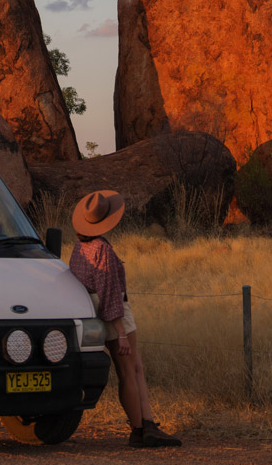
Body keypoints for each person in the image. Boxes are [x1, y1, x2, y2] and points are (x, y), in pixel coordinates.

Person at [69, 189, 182, 449]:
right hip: (114, 312)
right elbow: (109, 293)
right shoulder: (102, 250)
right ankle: (141, 429)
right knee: (130, 370)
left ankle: (147, 424)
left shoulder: (79, 247)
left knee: (132, 369)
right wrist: (120, 331)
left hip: (96, 309)